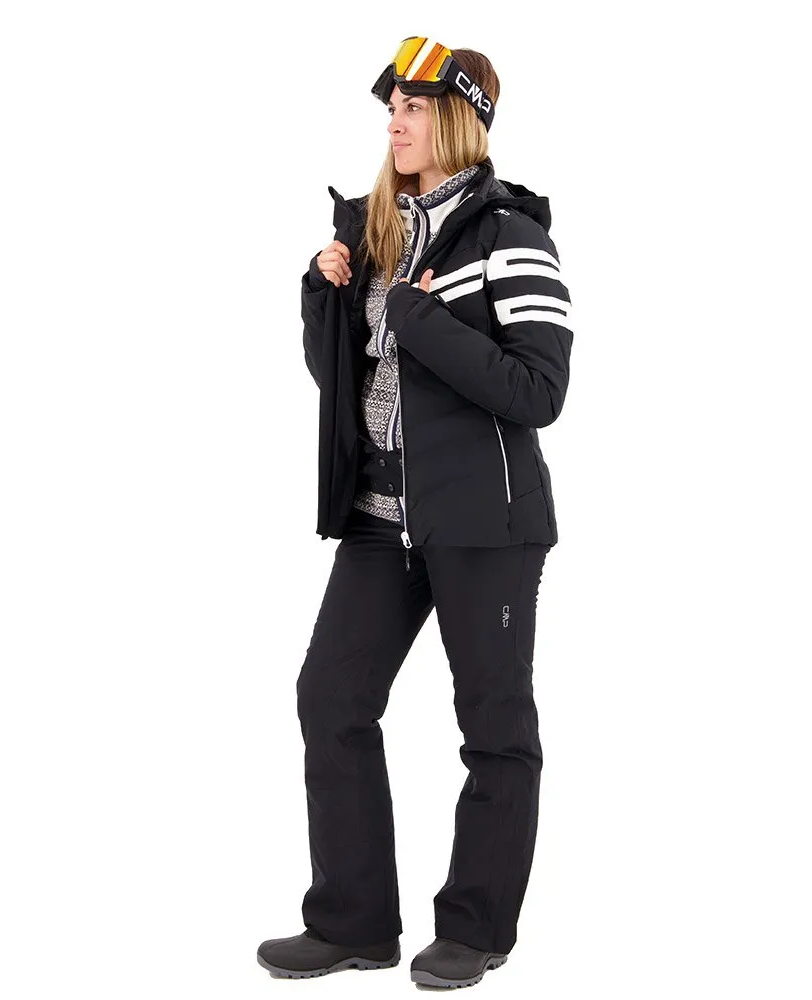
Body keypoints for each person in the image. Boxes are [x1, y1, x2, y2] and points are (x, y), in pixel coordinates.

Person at [257, 36, 574, 989]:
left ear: (461, 118)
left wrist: (423, 321)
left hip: (486, 524)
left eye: (415, 107)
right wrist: (326, 301)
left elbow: (540, 390)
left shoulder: (510, 233)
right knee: (331, 699)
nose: (395, 122)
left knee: (494, 727)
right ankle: (353, 921)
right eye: (390, 107)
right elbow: (347, 385)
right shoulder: (375, 231)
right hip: (379, 518)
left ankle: (476, 929)